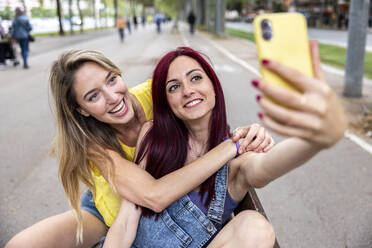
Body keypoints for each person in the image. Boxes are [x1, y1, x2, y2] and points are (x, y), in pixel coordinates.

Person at [5, 49, 273, 248]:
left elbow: (200, 104)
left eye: (111, 80)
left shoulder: (153, 96)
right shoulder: (93, 146)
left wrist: (244, 135)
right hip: (109, 208)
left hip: (150, 206)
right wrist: (232, 146)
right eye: (93, 96)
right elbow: (151, 196)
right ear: (81, 110)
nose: (113, 98)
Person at [103, 43, 347, 247]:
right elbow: (126, 220)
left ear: (214, 87)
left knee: (255, 226)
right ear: (166, 102)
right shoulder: (153, 136)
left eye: (196, 78)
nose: (188, 91)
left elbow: (265, 167)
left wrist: (315, 139)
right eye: (174, 87)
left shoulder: (237, 158)